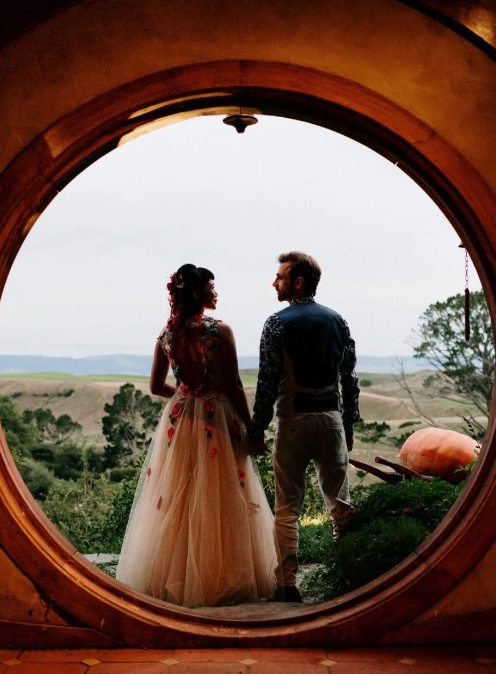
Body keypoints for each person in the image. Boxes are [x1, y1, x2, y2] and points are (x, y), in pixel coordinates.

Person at [116, 264, 277, 607]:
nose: (215, 293)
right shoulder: (219, 331)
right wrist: (251, 428)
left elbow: (156, 386)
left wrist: (184, 396)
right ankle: (223, 577)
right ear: (196, 292)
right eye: (211, 287)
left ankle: (175, 575)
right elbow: (234, 385)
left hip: (182, 420)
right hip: (215, 418)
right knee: (222, 493)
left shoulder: (166, 336)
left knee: (181, 492)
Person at [248, 251, 360, 603]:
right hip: (331, 421)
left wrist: (256, 430)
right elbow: (349, 379)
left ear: (297, 282)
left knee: (287, 507)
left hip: (293, 420)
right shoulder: (338, 321)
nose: (274, 282)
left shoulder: (277, 323)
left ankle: (287, 585)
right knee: (340, 503)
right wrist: (348, 426)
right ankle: (347, 577)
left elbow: (267, 383)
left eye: (280, 276)